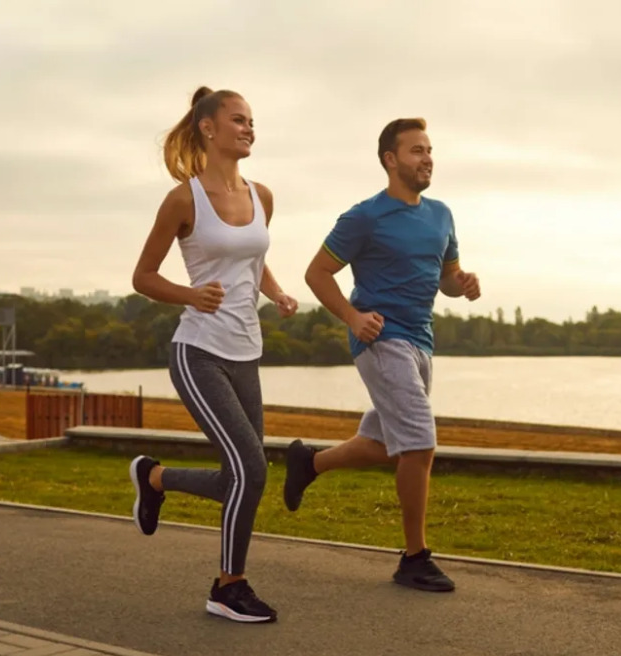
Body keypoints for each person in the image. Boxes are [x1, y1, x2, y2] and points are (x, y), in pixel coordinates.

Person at [284, 117, 480, 592]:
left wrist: (463, 284)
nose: (427, 158)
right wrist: (353, 318)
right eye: (416, 150)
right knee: (419, 444)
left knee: (383, 443)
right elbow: (317, 273)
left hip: (421, 341)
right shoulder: (364, 217)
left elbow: (446, 278)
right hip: (380, 340)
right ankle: (414, 558)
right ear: (390, 160)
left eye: (429, 150)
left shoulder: (441, 215)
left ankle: (309, 464)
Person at [127, 86, 298, 624]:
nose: (249, 128)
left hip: (246, 351)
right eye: (239, 120)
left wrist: (276, 292)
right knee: (251, 469)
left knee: (240, 475)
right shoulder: (185, 199)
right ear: (208, 127)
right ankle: (229, 586)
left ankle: (154, 480)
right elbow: (142, 277)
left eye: (252, 121)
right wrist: (190, 294)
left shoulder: (261, 195)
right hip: (198, 351)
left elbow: (250, 257)